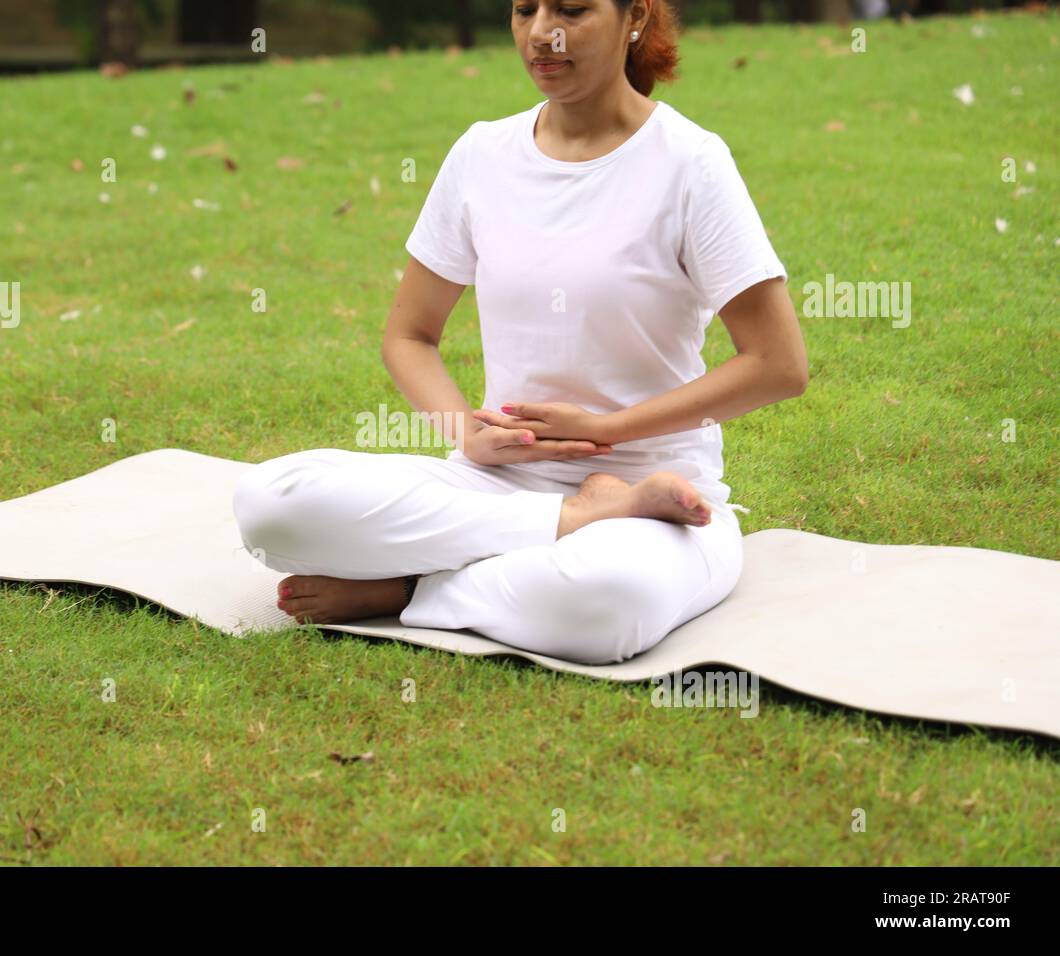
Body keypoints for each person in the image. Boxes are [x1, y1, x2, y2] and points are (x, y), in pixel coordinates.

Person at [232, 0, 808, 665]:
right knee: (268, 504)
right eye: (523, 8)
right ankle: (569, 525)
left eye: (570, 9)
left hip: (656, 497)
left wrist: (605, 431)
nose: (541, 33)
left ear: (636, 18)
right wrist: (464, 432)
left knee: (606, 602)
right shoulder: (482, 154)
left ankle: (409, 588)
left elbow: (778, 364)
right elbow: (409, 335)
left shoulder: (691, 164)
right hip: (499, 485)